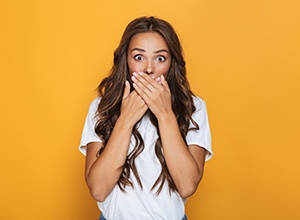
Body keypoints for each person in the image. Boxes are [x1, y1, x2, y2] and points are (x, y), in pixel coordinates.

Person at [78, 16, 213, 220]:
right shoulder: (101, 107)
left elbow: (187, 185)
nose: (149, 69)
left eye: (160, 58)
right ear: (126, 60)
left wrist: (165, 114)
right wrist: (126, 119)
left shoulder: (193, 107)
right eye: (139, 57)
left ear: (172, 63)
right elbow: (98, 189)